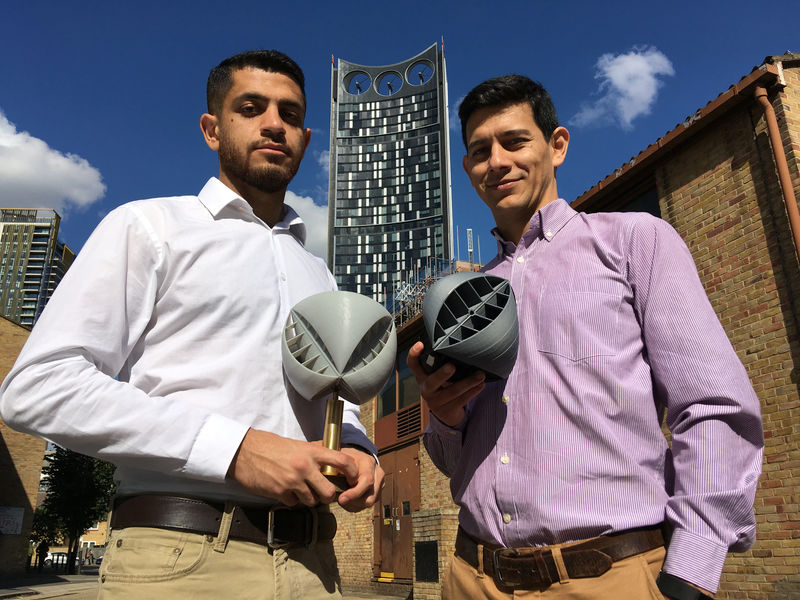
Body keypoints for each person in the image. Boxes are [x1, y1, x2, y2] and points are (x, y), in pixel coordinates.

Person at [0, 50, 383, 600]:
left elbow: (334, 398)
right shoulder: (149, 226)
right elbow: (37, 387)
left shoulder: (318, 271)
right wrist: (236, 448)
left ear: (305, 136)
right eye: (250, 107)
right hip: (180, 561)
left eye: (291, 114)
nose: (274, 123)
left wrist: (358, 448)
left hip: (313, 567)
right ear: (212, 129)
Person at [407, 74, 764, 599]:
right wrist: (444, 414)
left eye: (515, 141)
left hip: (606, 577)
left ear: (557, 146)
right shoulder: (466, 299)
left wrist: (694, 565)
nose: (497, 161)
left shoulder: (632, 242)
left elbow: (711, 405)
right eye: (480, 150)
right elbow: (455, 465)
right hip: (471, 576)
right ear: (468, 169)